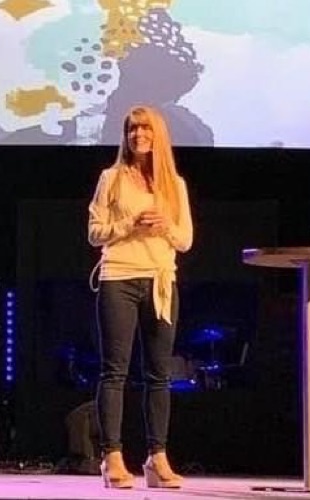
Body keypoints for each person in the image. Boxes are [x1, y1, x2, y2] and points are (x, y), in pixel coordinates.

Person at [87, 105, 193, 489]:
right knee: (114, 371)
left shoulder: (174, 184)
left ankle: (156, 457)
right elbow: (95, 233)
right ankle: (112, 457)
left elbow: (185, 240)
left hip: (160, 282)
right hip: (119, 278)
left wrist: (164, 226)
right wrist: (129, 223)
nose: (138, 135)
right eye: (133, 129)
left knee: (159, 375)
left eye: (145, 129)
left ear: (158, 135)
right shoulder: (111, 178)